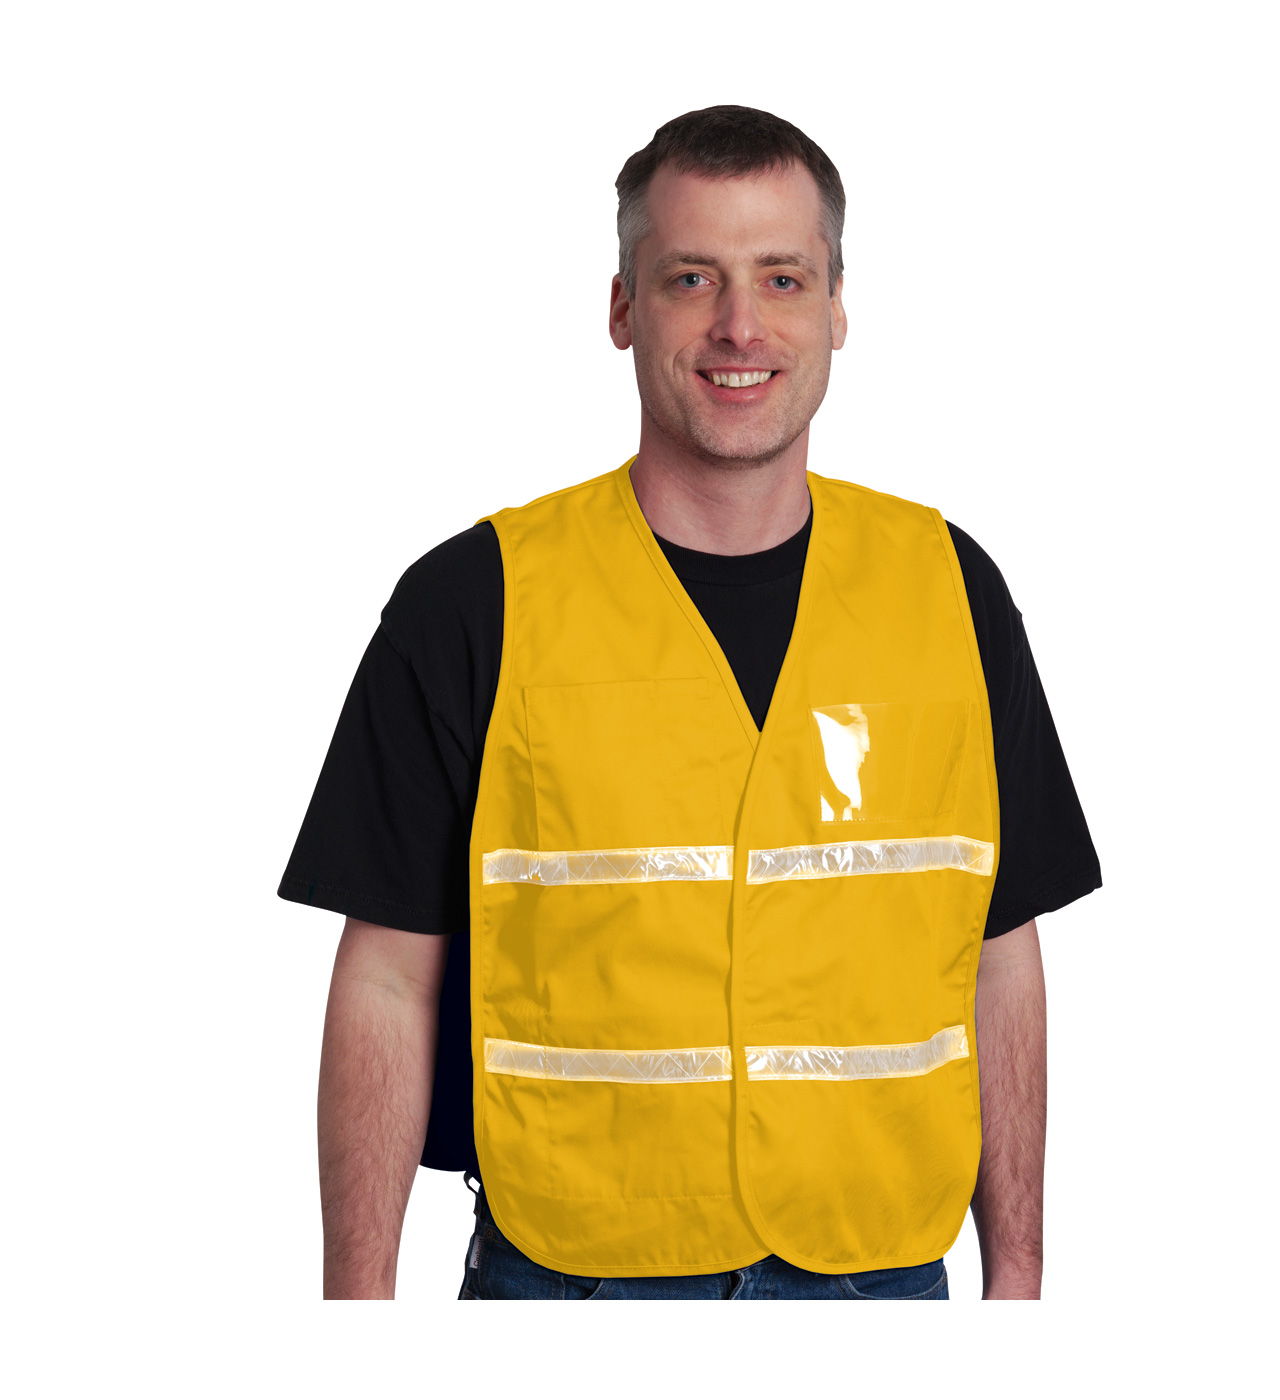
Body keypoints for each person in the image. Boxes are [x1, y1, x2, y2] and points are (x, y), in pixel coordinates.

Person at [280, 105, 1101, 1301]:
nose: (739, 325)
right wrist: (355, 1327)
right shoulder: (474, 600)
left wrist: (1016, 1287)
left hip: (879, 1277)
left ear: (836, 308)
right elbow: (387, 978)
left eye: (782, 277)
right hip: (570, 1282)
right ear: (622, 307)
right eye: (689, 277)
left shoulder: (950, 589)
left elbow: (998, 951)